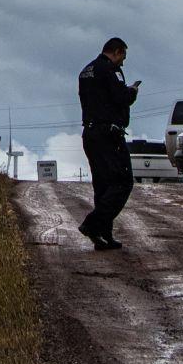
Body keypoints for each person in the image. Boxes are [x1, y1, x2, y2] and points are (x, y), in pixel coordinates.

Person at [77, 37, 140, 251]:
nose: (123, 63)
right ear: (116, 52)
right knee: (122, 182)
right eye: (122, 57)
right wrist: (131, 92)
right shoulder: (109, 70)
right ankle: (93, 225)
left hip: (91, 133)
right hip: (108, 135)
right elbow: (120, 98)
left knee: (103, 186)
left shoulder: (86, 71)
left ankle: (104, 236)